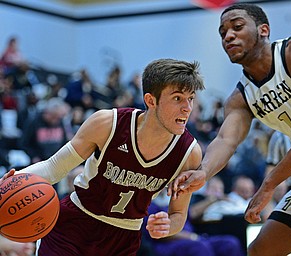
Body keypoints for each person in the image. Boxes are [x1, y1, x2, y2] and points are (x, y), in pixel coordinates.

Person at [0, 58, 205, 256]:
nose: (187, 108)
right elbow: (54, 168)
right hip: (75, 224)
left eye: (191, 99)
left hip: (124, 238)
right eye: (177, 98)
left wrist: (168, 227)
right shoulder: (108, 123)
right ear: (151, 100)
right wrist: (15, 180)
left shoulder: (189, 153)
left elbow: (178, 215)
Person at [169, 3, 291, 256]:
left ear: (263, 30)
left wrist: (268, 184)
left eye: (237, 27)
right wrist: (203, 172)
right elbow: (226, 141)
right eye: (223, 33)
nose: (228, 36)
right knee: (260, 251)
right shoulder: (241, 98)